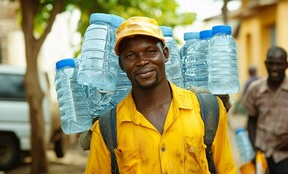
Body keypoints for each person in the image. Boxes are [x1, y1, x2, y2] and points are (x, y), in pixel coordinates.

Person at [85, 16, 237, 173]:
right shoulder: (107, 129)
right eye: (130, 55)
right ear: (121, 64)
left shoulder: (206, 110)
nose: (142, 61)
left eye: (150, 51)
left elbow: (226, 169)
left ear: (165, 54)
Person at [242, 46, 288, 173]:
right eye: (271, 64)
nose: (274, 69)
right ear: (265, 64)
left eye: (279, 64)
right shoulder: (255, 89)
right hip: (263, 157)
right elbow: (251, 120)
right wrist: (255, 149)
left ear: (287, 65)